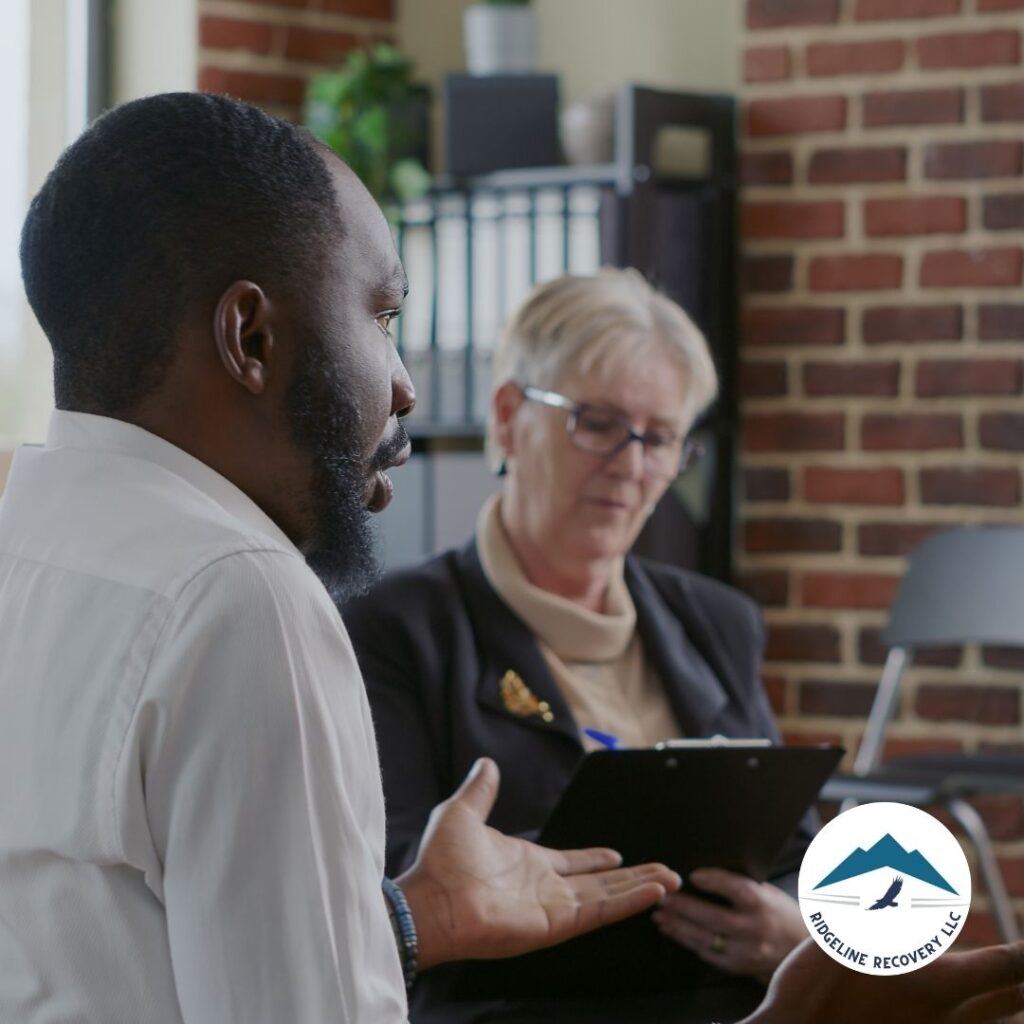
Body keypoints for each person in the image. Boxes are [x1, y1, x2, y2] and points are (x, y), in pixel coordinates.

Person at [1, 90, 1023, 1024]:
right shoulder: (243, 599)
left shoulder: (31, 536)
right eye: (383, 314)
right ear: (251, 336)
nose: (403, 386)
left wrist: (407, 919)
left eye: (661, 436)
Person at [344, 269, 811, 1021]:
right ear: (507, 418)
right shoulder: (394, 629)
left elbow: (794, 854)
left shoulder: (716, 623)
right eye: (596, 422)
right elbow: (388, 893)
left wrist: (790, 931)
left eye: (659, 438)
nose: (630, 466)